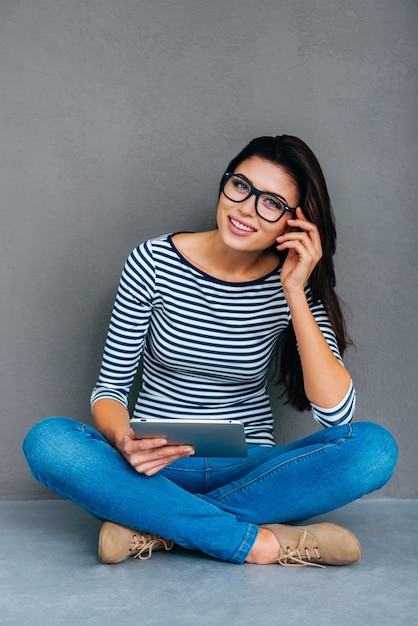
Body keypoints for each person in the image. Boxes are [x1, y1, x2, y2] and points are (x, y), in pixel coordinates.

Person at [23, 135, 398, 567]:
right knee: (48, 441)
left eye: (271, 203)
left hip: (251, 468)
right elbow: (109, 389)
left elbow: (337, 416)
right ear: (225, 183)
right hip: (153, 469)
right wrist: (125, 441)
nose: (246, 209)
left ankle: (156, 526)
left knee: (375, 449)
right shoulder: (152, 261)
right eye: (241, 186)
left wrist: (295, 291)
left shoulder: (293, 283)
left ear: (294, 223)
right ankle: (260, 544)